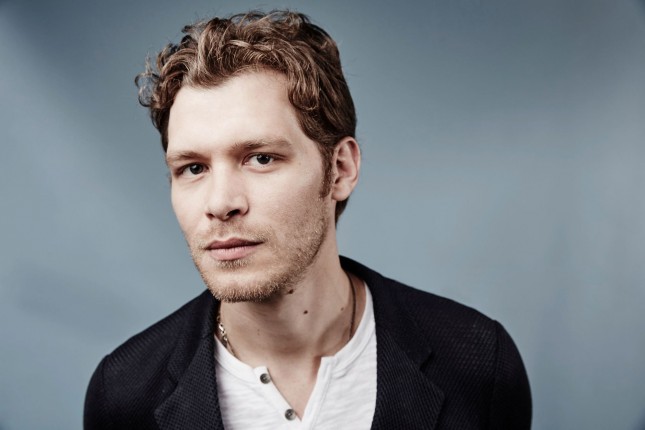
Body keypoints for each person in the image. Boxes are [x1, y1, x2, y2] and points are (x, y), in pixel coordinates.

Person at [84, 10, 531, 430]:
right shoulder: (124, 394)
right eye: (193, 168)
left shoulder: (478, 363)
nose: (220, 203)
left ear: (340, 170)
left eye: (261, 158)